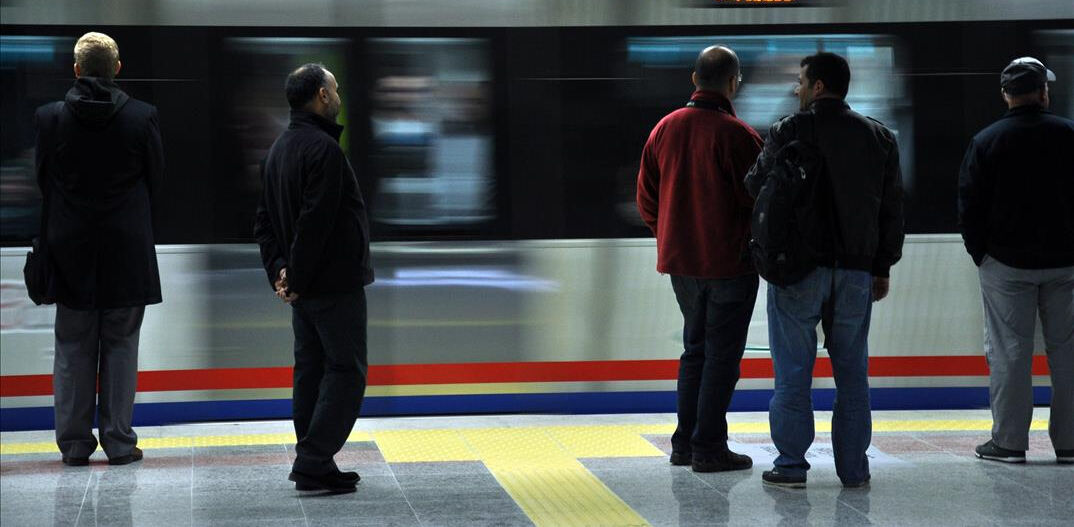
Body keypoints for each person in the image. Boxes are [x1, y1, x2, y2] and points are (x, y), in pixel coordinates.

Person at [745, 52, 904, 488]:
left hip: (797, 269)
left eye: (800, 81)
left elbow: (755, 184)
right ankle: (854, 469)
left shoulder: (790, 129)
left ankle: (791, 466)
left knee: (793, 373)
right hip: (856, 270)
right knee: (853, 374)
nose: (795, 89)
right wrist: (882, 266)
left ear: (817, 87)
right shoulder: (880, 137)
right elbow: (891, 208)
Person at [35, 32, 164, 466]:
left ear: (76, 70)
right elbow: (156, 181)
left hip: (70, 254)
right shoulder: (143, 118)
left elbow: (43, 182)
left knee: (72, 347)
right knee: (121, 346)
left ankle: (73, 445)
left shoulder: (49, 119)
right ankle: (119, 442)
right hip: (126, 253)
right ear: (117, 69)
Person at [636, 45, 763, 473]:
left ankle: (684, 444)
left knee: (695, 351)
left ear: (694, 80)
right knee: (722, 357)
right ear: (732, 84)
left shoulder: (663, 129)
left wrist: (673, 235)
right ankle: (709, 446)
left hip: (682, 265)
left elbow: (646, 199)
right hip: (729, 264)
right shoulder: (740, 136)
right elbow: (758, 202)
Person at [254, 63, 374, 493]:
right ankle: (313, 458)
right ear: (321, 96)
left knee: (310, 370)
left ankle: (316, 460)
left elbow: (264, 223)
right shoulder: (324, 150)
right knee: (346, 371)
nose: (339, 96)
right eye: (335, 89)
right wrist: (297, 276)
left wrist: (280, 274)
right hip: (333, 284)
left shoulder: (278, 150)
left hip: (304, 288)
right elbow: (316, 222)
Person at [958, 57, 1074, 465]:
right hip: (1067, 265)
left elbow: (969, 207)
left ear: (1006, 95)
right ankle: (1070, 443)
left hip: (1005, 266)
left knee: (1009, 353)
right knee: (1069, 354)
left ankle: (1008, 443)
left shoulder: (987, 141)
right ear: (1044, 92)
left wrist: (983, 256)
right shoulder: (1069, 135)